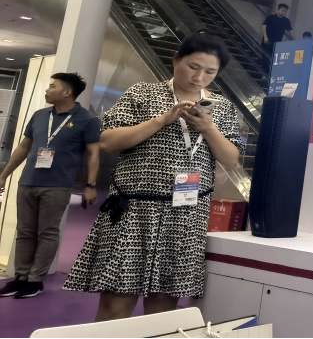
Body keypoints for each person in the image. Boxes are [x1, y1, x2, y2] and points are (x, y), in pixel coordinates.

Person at [64, 33, 243, 320]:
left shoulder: (221, 108)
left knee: (163, 307)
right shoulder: (143, 93)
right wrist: (162, 120)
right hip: (133, 209)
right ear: (176, 60)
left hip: (186, 214)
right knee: (116, 301)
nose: (199, 77)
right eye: (193, 67)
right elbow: (107, 141)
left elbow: (231, 159)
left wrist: (208, 129)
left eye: (210, 72)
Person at [0, 73, 101, 299]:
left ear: (67, 92)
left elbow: (93, 154)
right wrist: (4, 174)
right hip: (28, 181)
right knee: (24, 231)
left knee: (47, 232)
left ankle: (35, 280)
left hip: (57, 186)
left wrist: (91, 185)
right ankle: (20, 277)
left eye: (52, 86)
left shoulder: (87, 120)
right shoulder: (39, 116)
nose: (47, 90)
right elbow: (24, 147)